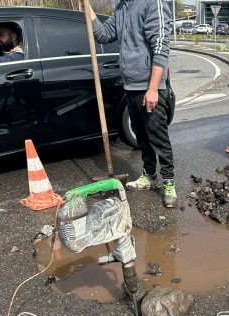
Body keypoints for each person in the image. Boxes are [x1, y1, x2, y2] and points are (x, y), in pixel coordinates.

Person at [86, 0, 177, 208]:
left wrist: (153, 88)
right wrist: (87, 7)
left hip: (150, 86)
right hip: (131, 85)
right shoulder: (121, 6)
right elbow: (103, 35)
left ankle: (169, 182)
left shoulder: (152, 3)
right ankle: (150, 175)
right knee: (141, 136)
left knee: (158, 137)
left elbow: (161, 46)